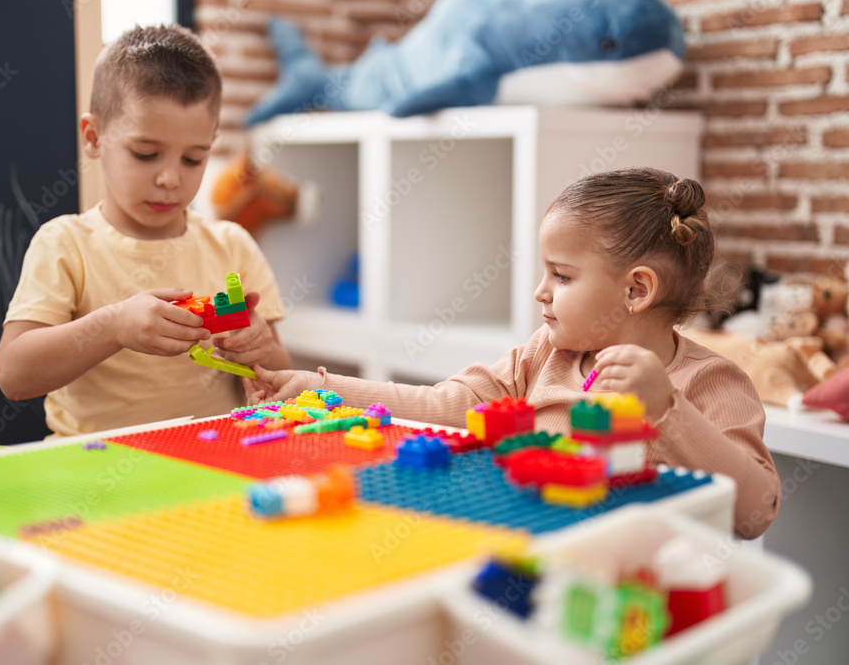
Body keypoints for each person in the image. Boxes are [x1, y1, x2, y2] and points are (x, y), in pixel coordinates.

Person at [246, 167, 781, 539]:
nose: (540, 292)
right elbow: (447, 406)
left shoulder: (712, 382)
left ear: (636, 290)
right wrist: (327, 389)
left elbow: (755, 512)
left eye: (562, 276)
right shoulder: (545, 354)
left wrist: (666, 409)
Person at [0, 24, 290, 437]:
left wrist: (260, 347)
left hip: (211, 466)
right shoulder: (65, 244)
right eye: (146, 154)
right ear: (93, 137)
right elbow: (14, 374)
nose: (170, 178)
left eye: (193, 159)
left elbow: (281, 376)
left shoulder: (233, 245)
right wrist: (114, 326)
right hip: (92, 474)